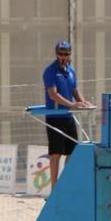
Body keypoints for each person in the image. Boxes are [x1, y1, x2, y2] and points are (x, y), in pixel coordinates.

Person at [41, 40, 92, 188]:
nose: (63, 57)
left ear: (70, 55)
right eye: (60, 54)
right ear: (56, 54)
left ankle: (65, 184)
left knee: (72, 152)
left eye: (66, 54)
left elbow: (74, 90)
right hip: (55, 117)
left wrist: (83, 102)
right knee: (56, 154)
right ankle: (54, 189)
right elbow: (53, 95)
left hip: (68, 116)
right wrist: (73, 105)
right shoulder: (50, 71)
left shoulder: (71, 71)